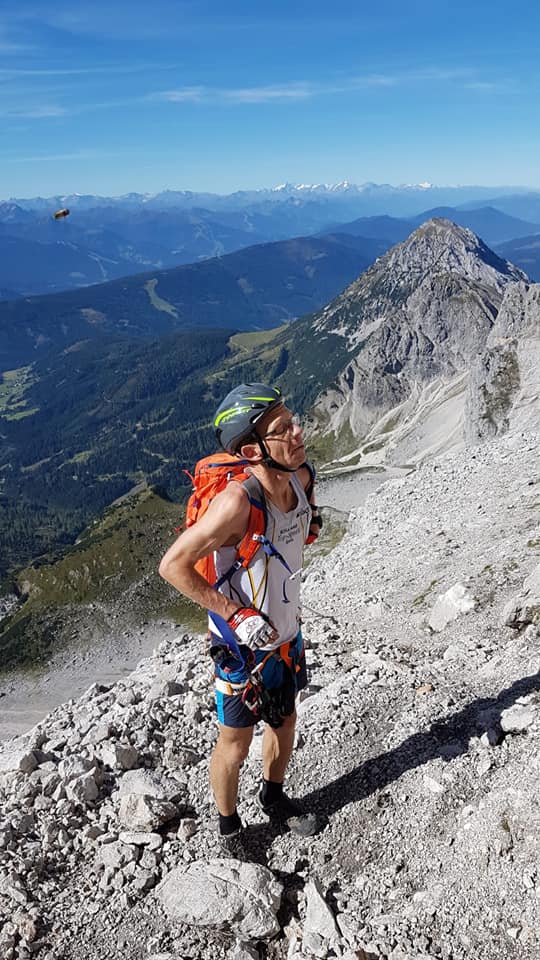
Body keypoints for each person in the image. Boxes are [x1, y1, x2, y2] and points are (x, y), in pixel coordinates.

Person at [159, 383, 320, 847]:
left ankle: (274, 798)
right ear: (252, 449)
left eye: (294, 418)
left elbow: (307, 501)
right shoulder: (236, 503)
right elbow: (172, 566)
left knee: (285, 719)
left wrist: (312, 521)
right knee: (236, 741)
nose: (298, 430)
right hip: (240, 647)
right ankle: (229, 828)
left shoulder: (299, 476)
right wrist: (235, 612)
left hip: (286, 634)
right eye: (283, 428)